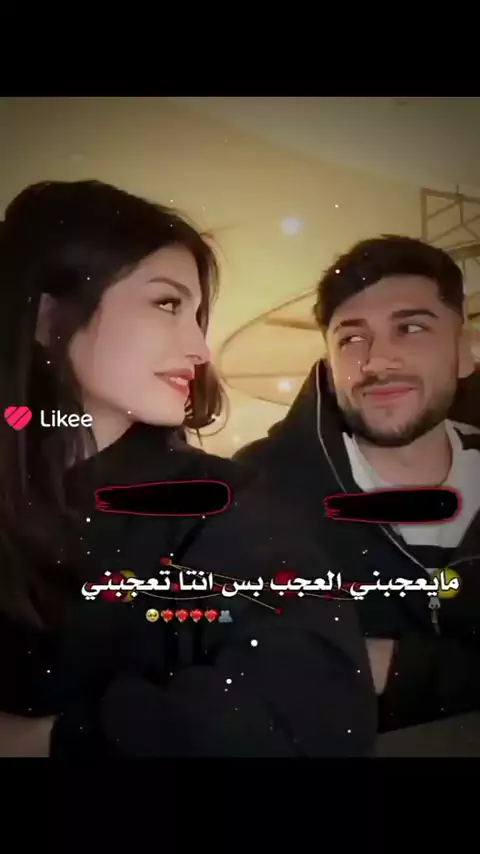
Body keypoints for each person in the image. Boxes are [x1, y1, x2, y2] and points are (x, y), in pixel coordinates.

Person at [0, 180, 376, 757]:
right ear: (50, 318)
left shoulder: (225, 503)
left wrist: (47, 740)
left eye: (198, 314)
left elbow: (312, 720)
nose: (201, 348)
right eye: (167, 304)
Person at [236, 235, 480, 732]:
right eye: (351, 339)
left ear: (464, 351)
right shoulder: (256, 496)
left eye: (411, 328)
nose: (377, 362)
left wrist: (397, 668)